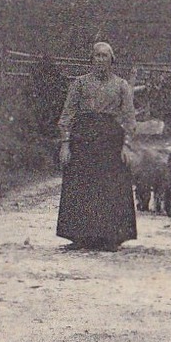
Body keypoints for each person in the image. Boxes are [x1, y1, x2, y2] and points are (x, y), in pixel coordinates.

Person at [55, 41, 138, 251]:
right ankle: (80, 235)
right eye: (97, 56)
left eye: (105, 56)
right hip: (83, 139)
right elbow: (67, 116)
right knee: (82, 185)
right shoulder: (80, 84)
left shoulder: (121, 86)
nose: (101, 60)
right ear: (91, 59)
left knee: (109, 186)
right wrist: (65, 144)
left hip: (110, 141)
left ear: (112, 60)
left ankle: (110, 236)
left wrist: (126, 146)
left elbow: (129, 118)